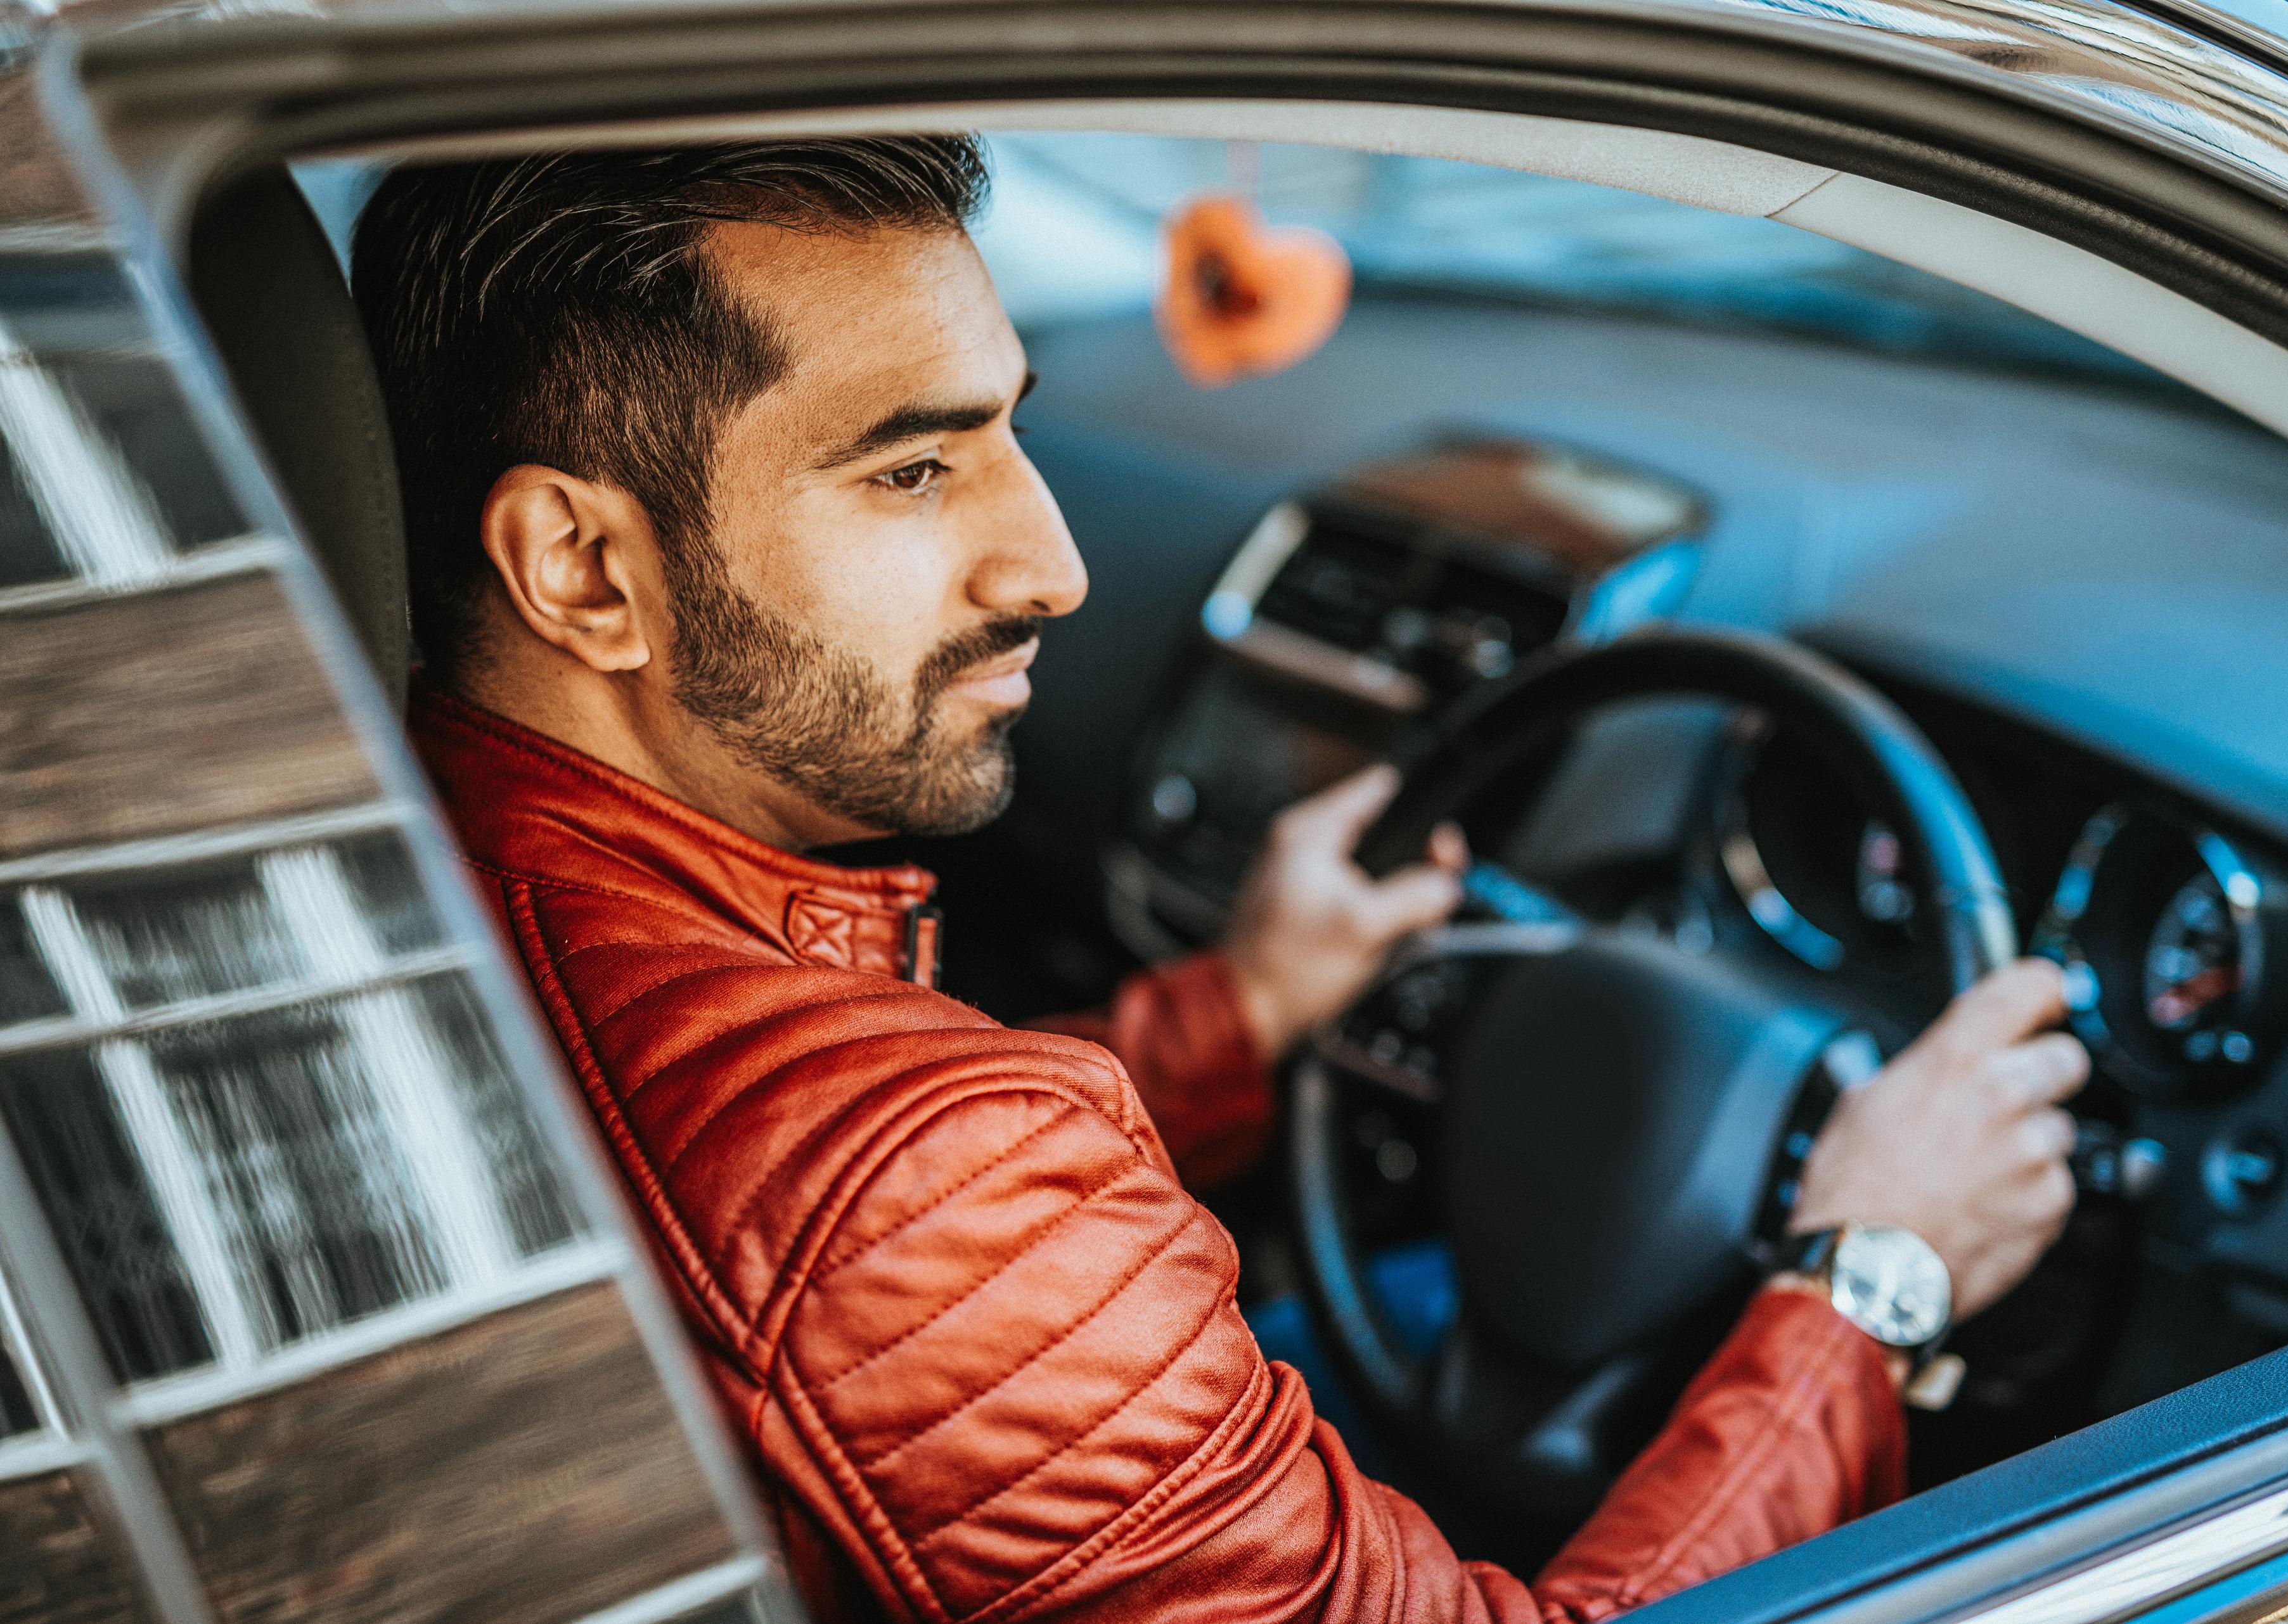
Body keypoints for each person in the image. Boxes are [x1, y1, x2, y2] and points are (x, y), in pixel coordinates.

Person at [354, 137, 2089, 1623]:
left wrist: (1244, 1010)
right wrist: (1867, 1283)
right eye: (913, 468)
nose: (1054, 564)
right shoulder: (917, 1191)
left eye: (1014, 435)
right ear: (583, 569)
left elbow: (876, 1240)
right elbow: (902, 1220)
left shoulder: (417, 830)